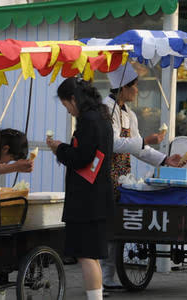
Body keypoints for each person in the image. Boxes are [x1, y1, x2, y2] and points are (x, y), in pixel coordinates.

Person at [100, 62, 186, 290]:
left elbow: (138, 149)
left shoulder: (130, 114)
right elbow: (114, 143)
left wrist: (164, 160)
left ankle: (108, 276)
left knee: (118, 224)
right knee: (109, 225)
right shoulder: (106, 109)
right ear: (123, 88)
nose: (137, 91)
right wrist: (146, 140)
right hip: (105, 175)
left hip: (122, 175)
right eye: (135, 86)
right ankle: (104, 276)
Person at [46, 77, 114, 300]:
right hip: (99, 196)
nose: (67, 111)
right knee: (91, 256)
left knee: (86, 256)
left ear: (73, 99)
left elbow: (82, 158)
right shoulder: (102, 116)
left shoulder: (88, 121)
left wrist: (60, 149)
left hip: (87, 199)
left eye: (66, 105)